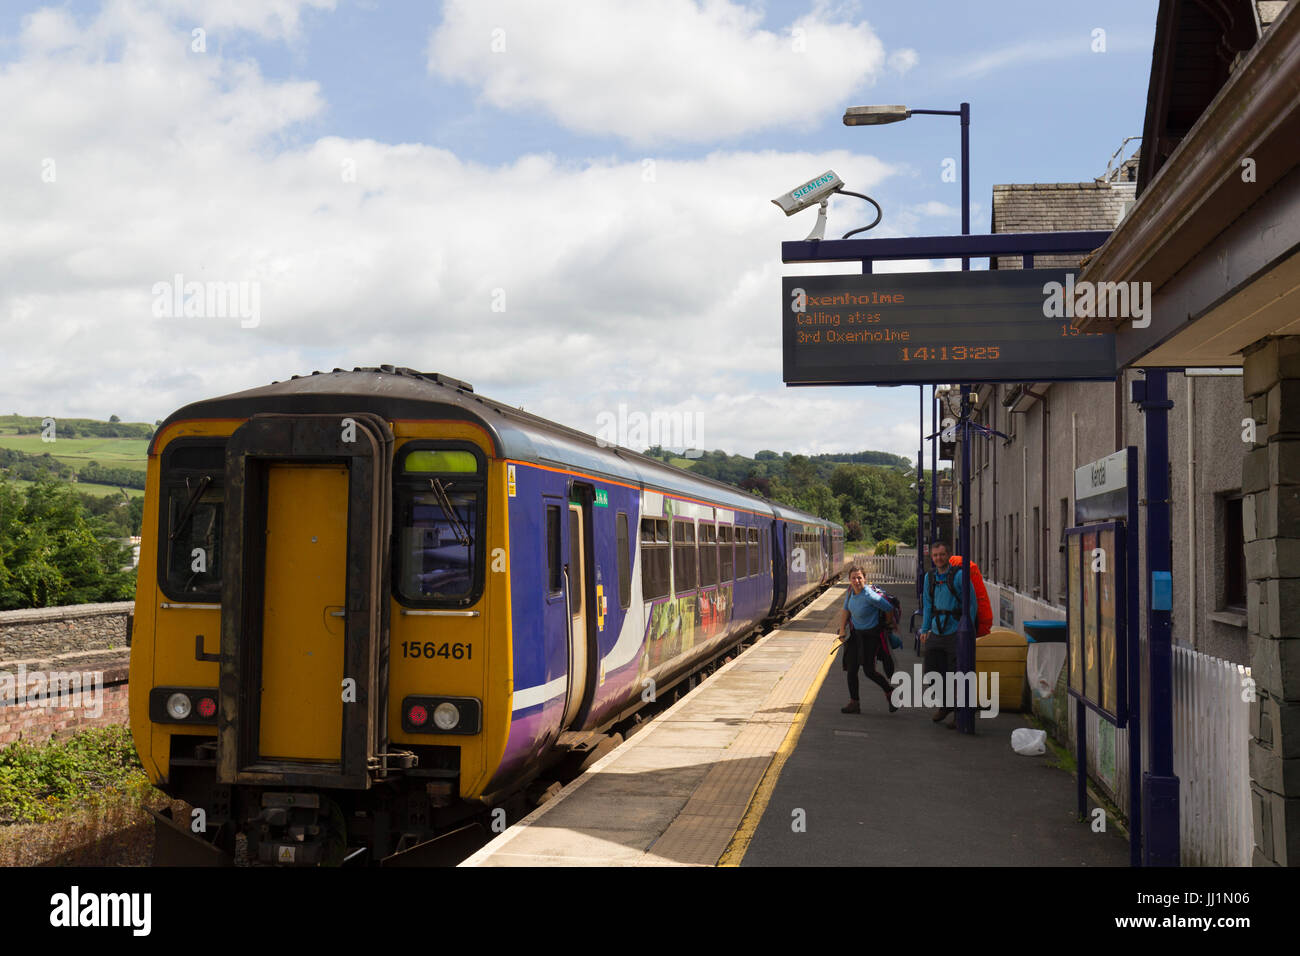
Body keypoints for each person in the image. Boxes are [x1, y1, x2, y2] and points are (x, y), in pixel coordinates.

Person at [834, 564, 899, 714]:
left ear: (865, 579)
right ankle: (854, 702)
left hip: (871, 636)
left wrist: (887, 624)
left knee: (869, 671)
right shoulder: (850, 591)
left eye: (859, 577)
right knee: (851, 669)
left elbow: (888, 608)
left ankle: (890, 692)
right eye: (853, 578)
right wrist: (842, 629)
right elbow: (846, 610)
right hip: (855, 635)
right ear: (849, 580)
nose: (856, 581)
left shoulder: (869, 595)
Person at [920, 540, 966, 728]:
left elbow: (970, 605)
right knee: (931, 673)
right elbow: (927, 605)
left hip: (955, 632)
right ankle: (946, 705)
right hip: (936, 631)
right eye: (935, 555)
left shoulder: (959, 576)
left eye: (942, 554)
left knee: (956, 675)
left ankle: (958, 714)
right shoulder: (929, 578)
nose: (938, 558)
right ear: (932, 557)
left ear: (948, 555)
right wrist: (924, 629)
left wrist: (965, 632)